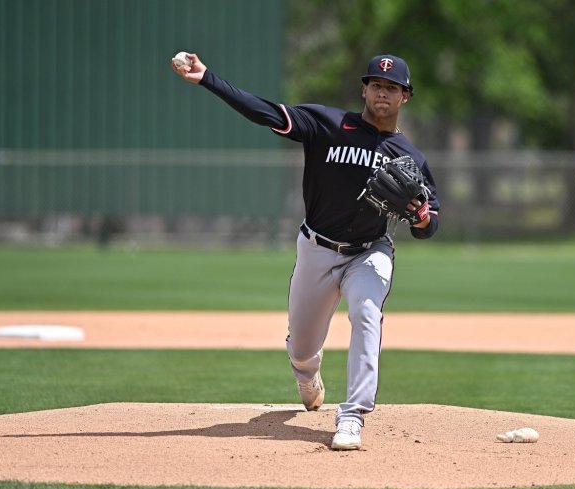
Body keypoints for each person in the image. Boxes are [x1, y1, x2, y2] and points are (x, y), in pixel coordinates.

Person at [172, 52, 440, 450]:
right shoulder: (327, 124)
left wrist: (420, 216)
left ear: (406, 97)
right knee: (301, 348)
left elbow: (430, 221)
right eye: (377, 84)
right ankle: (306, 372)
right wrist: (208, 78)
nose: (383, 92)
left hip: (369, 252)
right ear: (364, 89)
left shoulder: (410, 158)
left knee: (367, 314)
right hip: (316, 248)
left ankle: (352, 416)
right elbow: (264, 112)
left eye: (393, 88)